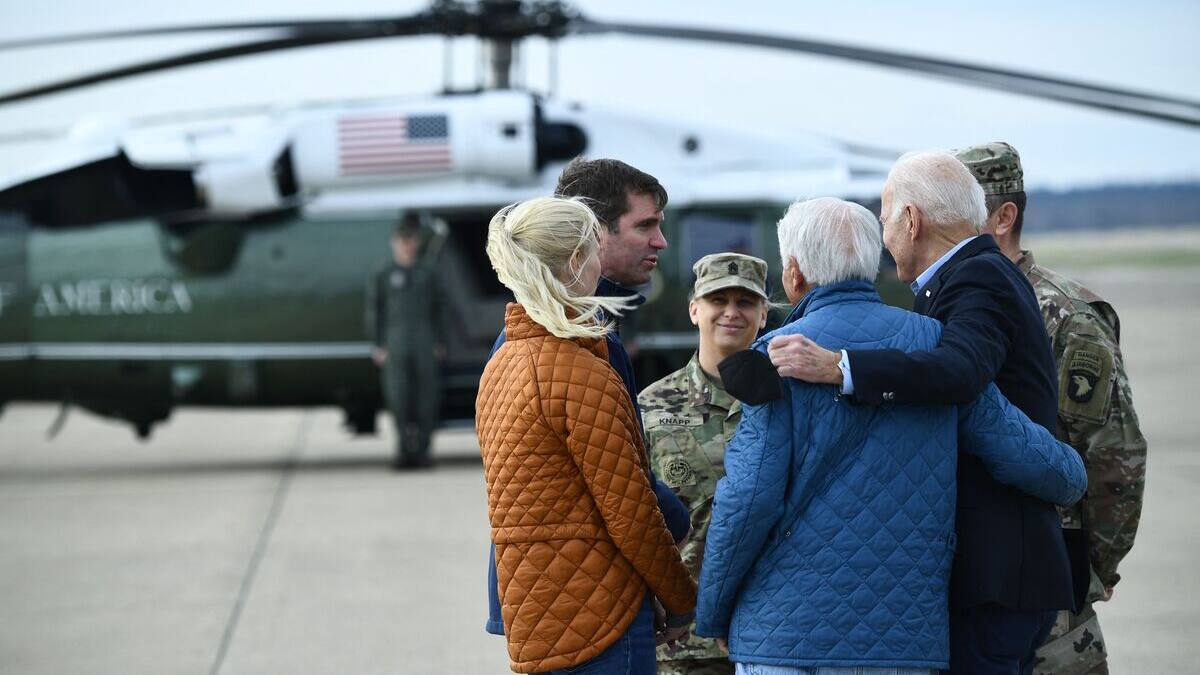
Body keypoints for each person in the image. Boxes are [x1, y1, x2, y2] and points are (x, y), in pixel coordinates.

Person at [694, 197, 1087, 675]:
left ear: (793, 273)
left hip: (784, 636)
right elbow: (1048, 468)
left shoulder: (776, 357)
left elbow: (749, 499)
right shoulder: (933, 346)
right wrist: (1073, 476)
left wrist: (713, 610)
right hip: (904, 642)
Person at [476, 196, 697, 674]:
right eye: (595, 249)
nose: (601, 263)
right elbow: (632, 513)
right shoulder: (579, 372)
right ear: (576, 260)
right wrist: (681, 598)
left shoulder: (500, 367)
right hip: (601, 619)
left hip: (540, 613)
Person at [954, 141, 1147, 675]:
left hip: (1050, 579)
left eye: (957, 211)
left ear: (1003, 217)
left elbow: (1113, 455)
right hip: (967, 581)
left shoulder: (1066, 316)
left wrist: (1092, 567)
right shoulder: (943, 302)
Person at [639, 252, 771, 675]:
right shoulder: (650, 407)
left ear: (763, 315)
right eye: (719, 300)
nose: (731, 312)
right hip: (684, 643)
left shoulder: (784, 399)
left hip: (770, 633)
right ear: (695, 309)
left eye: (745, 302)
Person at [365, 212, 449, 470]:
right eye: (402, 240)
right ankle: (403, 449)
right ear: (394, 242)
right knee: (399, 397)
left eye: (410, 240)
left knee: (426, 397)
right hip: (395, 342)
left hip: (424, 341)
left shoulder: (428, 273)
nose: (407, 245)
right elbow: (373, 311)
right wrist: (378, 344)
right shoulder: (384, 275)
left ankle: (423, 450)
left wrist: (439, 341)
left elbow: (440, 309)